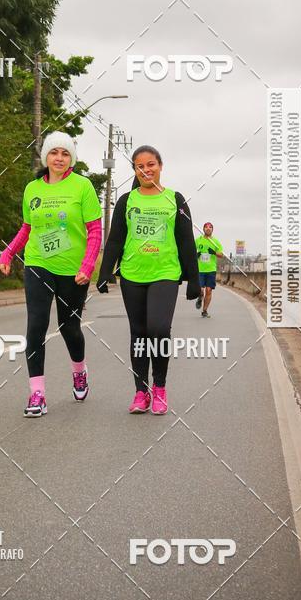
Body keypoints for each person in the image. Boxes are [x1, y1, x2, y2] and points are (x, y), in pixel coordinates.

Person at [0, 132, 102, 417]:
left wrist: (87, 266)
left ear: (71, 159)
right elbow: (27, 229)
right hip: (38, 264)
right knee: (36, 327)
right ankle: (37, 394)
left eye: (65, 154)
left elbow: (94, 230)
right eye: (54, 152)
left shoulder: (83, 187)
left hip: (72, 270)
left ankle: (79, 370)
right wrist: (8, 253)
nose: (59, 158)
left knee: (69, 328)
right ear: (46, 156)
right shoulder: (32, 189)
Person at [96, 145, 200, 415]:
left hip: (165, 273)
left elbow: (186, 241)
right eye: (140, 166)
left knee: (159, 329)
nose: (146, 169)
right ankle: (141, 392)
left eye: (151, 164)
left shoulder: (175, 200)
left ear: (160, 166)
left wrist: (194, 280)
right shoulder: (126, 201)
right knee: (139, 334)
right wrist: (105, 271)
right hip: (132, 274)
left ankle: (160, 388)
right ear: (134, 170)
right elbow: (116, 238)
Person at [195, 222, 224, 318]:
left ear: (212, 230)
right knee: (200, 290)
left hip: (211, 269)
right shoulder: (198, 240)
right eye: (206, 227)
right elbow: (192, 252)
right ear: (203, 229)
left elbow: (221, 255)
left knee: (209, 290)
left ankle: (204, 310)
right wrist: (196, 255)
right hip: (200, 269)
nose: (208, 228)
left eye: (210, 227)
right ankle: (200, 297)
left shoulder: (215, 242)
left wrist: (214, 252)